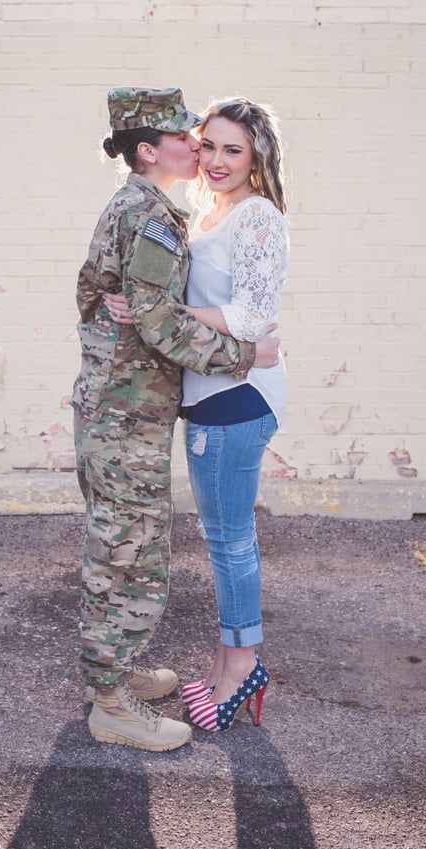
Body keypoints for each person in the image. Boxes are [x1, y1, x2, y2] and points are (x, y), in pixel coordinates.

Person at [72, 86, 280, 752]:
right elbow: (159, 324)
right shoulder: (154, 215)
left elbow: (89, 287)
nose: (198, 149)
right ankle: (111, 702)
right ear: (145, 150)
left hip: (123, 408)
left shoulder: (145, 208)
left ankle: (118, 669)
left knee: (126, 544)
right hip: (126, 413)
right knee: (127, 550)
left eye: (220, 145)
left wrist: (115, 308)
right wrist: (246, 353)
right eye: (186, 138)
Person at [178, 96, 289, 733]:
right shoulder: (213, 211)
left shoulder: (257, 218)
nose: (217, 160)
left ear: (256, 158)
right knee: (223, 540)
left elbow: (251, 318)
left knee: (229, 541)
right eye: (210, 145)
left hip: (237, 398)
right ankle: (226, 665)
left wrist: (162, 313)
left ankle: (242, 664)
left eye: (233, 150)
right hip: (214, 392)